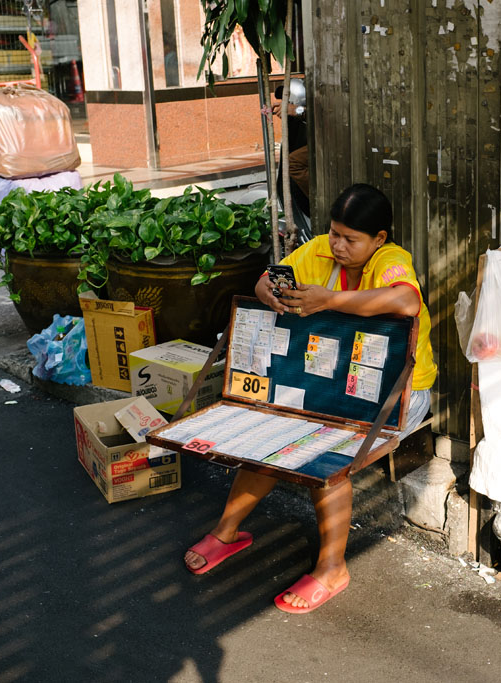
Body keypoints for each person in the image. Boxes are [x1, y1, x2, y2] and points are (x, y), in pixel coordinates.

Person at [183, 183, 437, 613]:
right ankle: (228, 530)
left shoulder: (393, 261)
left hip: (396, 397)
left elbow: (406, 301)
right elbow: (267, 278)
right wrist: (270, 295)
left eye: (350, 239)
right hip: (329, 382)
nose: (337, 245)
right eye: (334, 232)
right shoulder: (318, 249)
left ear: (379, 239)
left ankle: (333, 567)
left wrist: (330, 299)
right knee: (272, 433)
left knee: (320, 455)